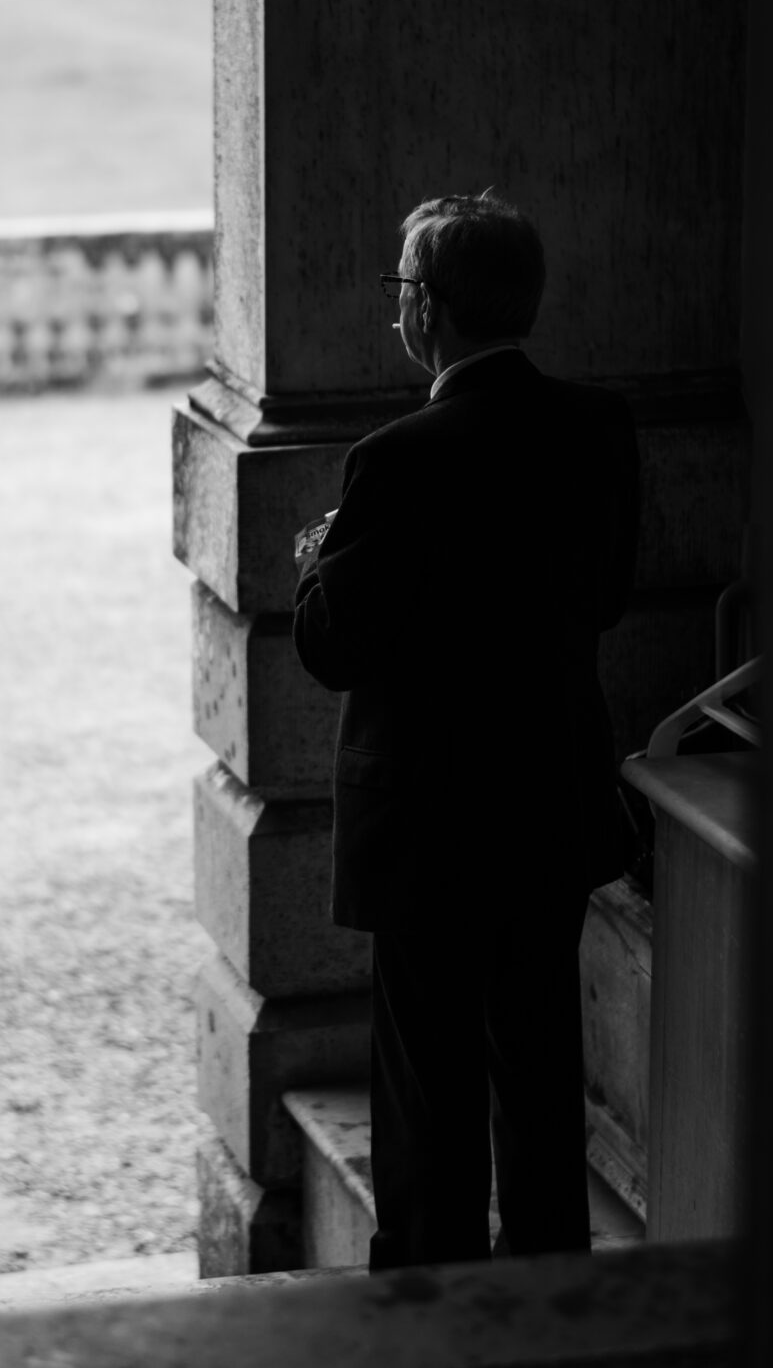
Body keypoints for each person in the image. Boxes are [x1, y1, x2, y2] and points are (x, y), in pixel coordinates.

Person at [291, 189, 638, 1270]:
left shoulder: (396, 458)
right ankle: (550, 1294)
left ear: (429, 310)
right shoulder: (599, 428)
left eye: (402, 289)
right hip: (547, 796)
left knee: (425, 1090)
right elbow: (610, 594)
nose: (397, 309)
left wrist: (319, 563)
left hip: (430, 819)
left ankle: (430, 1307)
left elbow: (333, 647)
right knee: (537, 1066)